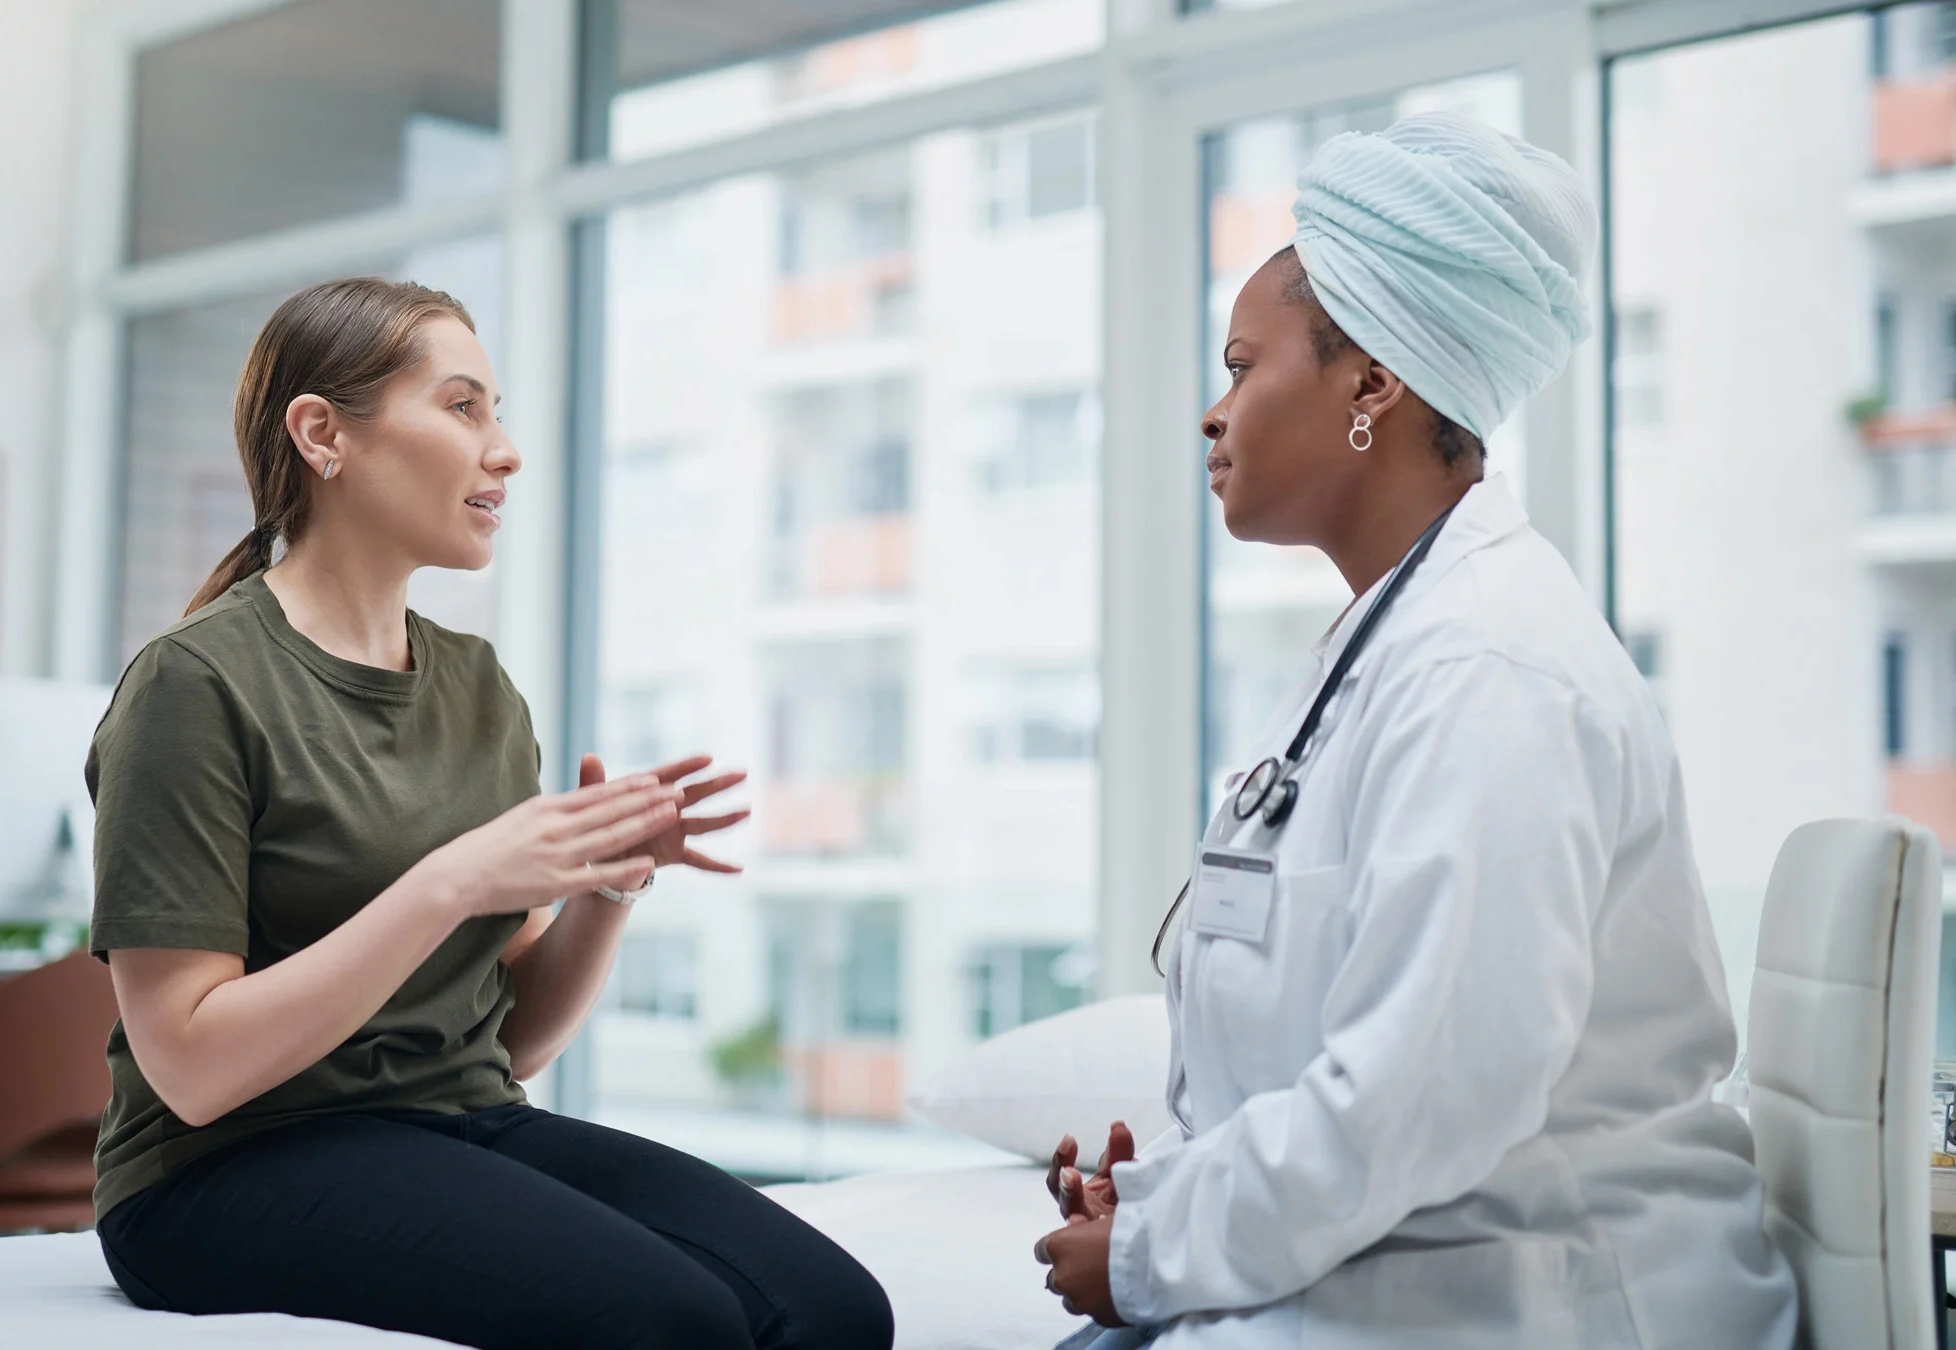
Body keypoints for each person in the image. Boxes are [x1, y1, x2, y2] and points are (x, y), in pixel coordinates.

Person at [1032, 115, 1796, 1348]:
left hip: (1537, 1293)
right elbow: (1339, 1060)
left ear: (1373, 384)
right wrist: (1163, 1198)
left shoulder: (1488, 672)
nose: (1215, 415)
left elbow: (1423, 1097)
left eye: (1243, 366)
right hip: (1412, 1258)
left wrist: (1154, 1248)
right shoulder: (1393, 642)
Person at [86, 277, 894, 1350]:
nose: (504, 450)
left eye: (497, 412)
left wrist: (609, 883)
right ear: (322, 433)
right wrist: (453, 880)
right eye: (464, 407)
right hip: (221, 1166)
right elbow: (189, 1068)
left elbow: (508, 1045)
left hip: (460, 1122)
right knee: (675, 1322)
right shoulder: (196, 685)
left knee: (835, 1313)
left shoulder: (477, 689)